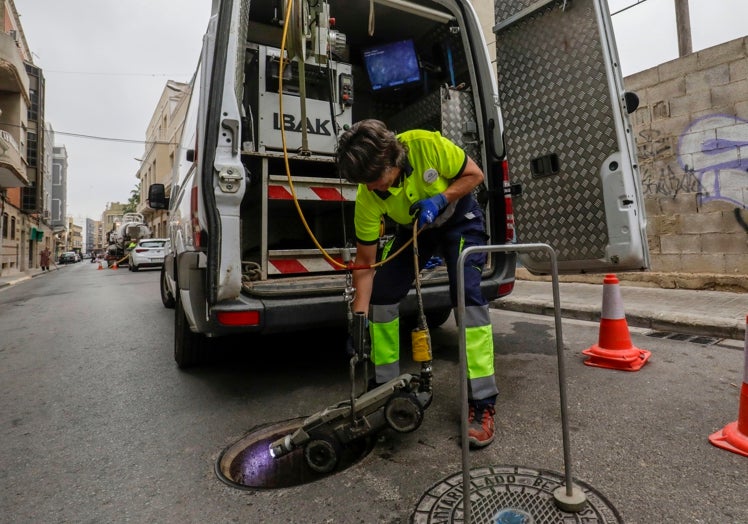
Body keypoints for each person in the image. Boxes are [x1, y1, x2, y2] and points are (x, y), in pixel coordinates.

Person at [336, 119, 498, 449]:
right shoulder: (369, 196)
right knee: (382, 294)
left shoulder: (426, 145)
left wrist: (440, 199)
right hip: (417, 229)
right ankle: (383, 390)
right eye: (364, 183)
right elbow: (366, 264)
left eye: (375, 180)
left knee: (466, 296)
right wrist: (358, 320)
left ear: (392, 160)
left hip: (459, 219)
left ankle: (482, 403)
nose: (371, 188)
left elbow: (475, 175)